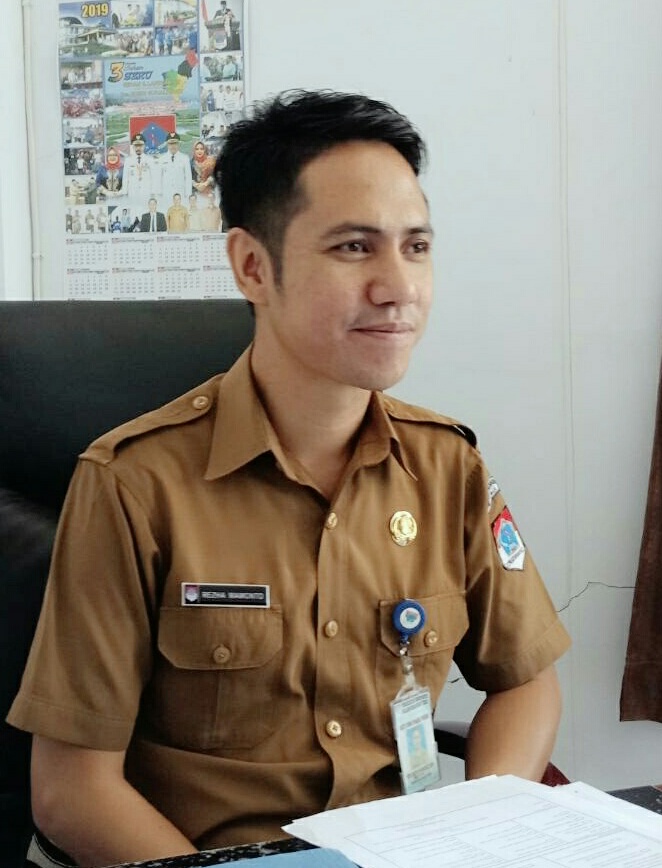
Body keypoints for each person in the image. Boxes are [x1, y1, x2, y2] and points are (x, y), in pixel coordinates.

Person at [8, 90, 570, 866]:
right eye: (353, 247)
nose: (399, 287)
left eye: (415, 247)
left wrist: (475, 830)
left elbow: (526, 681)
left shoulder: (448, 467)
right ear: (253, 266)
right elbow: (72, 791)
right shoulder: (134, 484)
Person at [159, 131, 192, 206]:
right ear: (167, 144)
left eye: (175, 143)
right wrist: (160, 196)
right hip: (166, 195)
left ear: (178, 144)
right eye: (170, 144)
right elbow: (159, 179)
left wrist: (188, 195)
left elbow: (188, 178)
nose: (173, 146)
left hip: (181, 195)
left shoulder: (185, 158)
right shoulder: (161, 159)